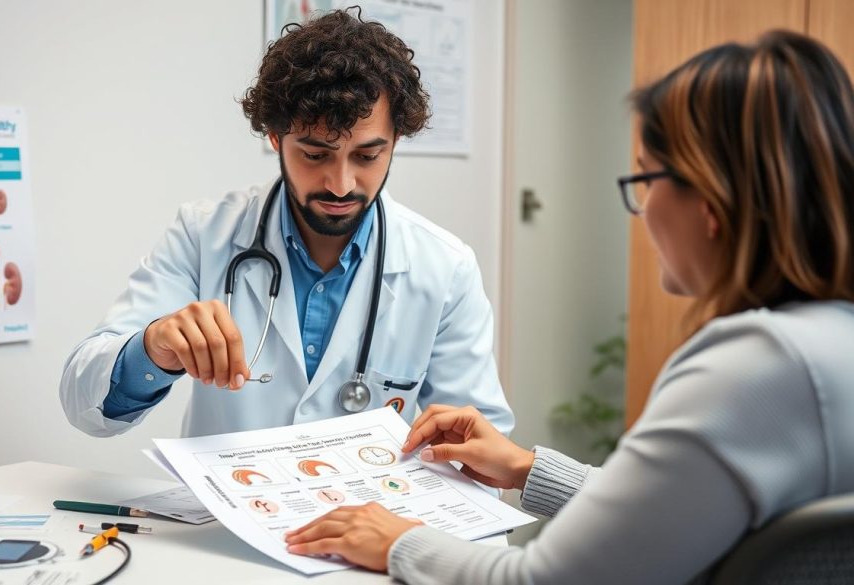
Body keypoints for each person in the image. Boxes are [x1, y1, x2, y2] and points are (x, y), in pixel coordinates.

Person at [283, 30, 854, 584]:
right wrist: (529, 470)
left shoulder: (756, 368)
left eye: (648, 178)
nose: (644, 211)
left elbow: (540, 580)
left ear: (709, 201)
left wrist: (397, 541)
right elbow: (670, 515)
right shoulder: (826, 343)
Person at [59, 8, 514, 440]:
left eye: (367, 156)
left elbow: (476, 448)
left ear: (396, 139)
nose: (340, 184)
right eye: (315, 155)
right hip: (224, 523)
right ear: (276, 136)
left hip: (374, 520)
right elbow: (85, 400)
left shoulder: (445, 267)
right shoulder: (203, 234)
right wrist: (152, 348)